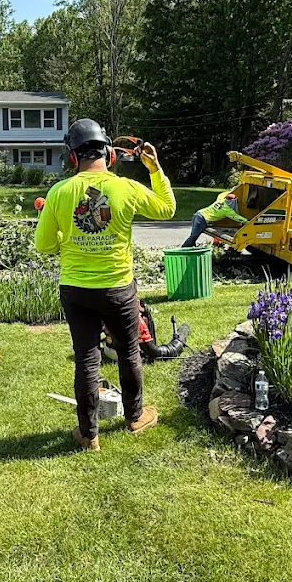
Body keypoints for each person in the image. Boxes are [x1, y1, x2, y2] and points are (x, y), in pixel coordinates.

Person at [34, 119, 176, 451]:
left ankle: (89, 435)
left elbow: (43, 245)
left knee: (86, 357)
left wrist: (64, 241)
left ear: (73, 158)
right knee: (128, 352)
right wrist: (155, 169)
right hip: (118, 289)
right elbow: (168, 209)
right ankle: (135, 417)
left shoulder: (59, 192)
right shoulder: (125, 188)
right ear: (110, 154)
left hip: (76, 290)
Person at [181, 192, 247, 247]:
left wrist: (231, 190)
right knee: (193, 237)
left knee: (193, 236)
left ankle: (191, 250)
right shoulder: (227, 210)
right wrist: (248, 221)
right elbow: (238, 218)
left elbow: (221, 194)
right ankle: (183, 249)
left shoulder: (220, 200)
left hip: (198, 214)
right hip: (202, 219)